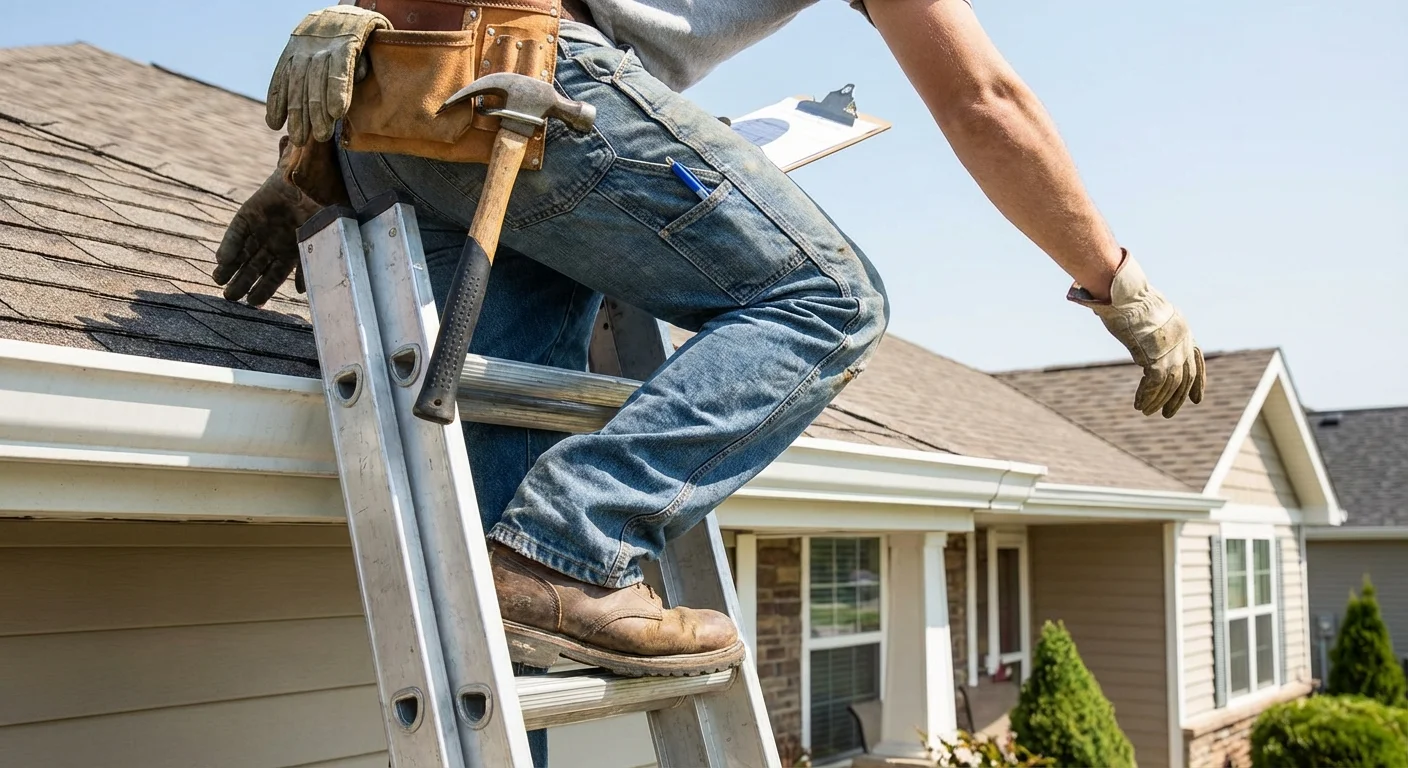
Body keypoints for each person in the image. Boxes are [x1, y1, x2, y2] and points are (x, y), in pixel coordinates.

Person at [218, 0, 1204, 711]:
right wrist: (1119, 283)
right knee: (826, 296)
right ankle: (571, 540)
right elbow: (983, 98)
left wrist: (340, 79)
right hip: (530, 85)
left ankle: (537, 574)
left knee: (510, 630)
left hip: (402, 108)